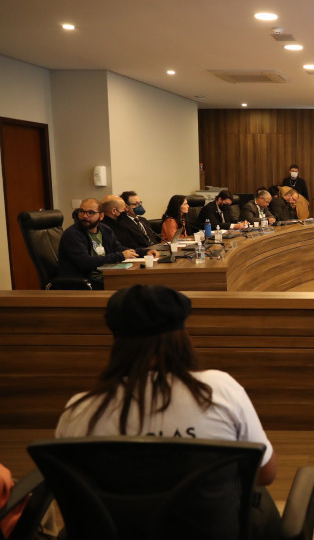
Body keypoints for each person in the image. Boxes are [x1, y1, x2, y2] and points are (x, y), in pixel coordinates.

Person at [55, 284, 280, 539]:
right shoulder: (219, 391)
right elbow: (265, 474)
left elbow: (73, 500)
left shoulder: (78, 411)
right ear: (182, 336)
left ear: (116, 340)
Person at [56, 198, 158, 289]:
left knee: (145, 282)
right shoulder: (72, 234)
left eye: (90, 213)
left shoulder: (104, 229)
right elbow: (85, 262)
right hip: (86, 281)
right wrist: (120, 256)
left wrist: (145, 252)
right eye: (81, 211)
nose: (84, 216)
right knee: (134, 288)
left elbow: (118, 248)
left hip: (106, 276)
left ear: (101, 216)